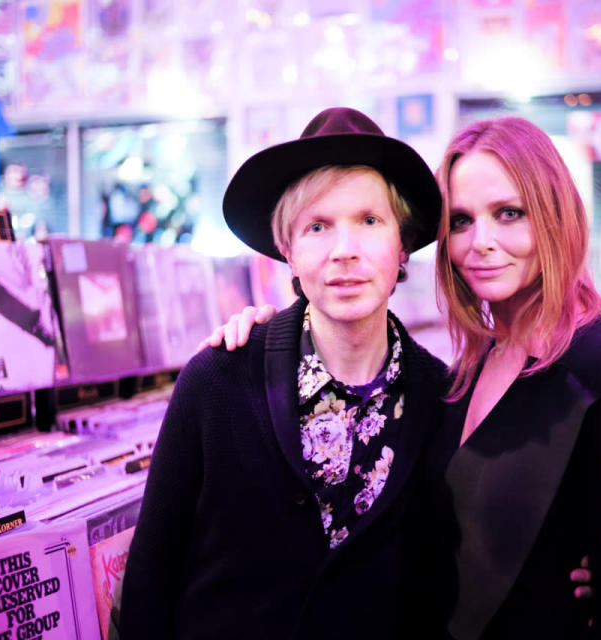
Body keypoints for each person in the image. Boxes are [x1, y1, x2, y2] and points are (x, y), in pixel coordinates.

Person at [213, 115, 601, 639]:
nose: (482, 243)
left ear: (554, 216)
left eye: (509, 213)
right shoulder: (459, 373)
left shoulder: (600, 367)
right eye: (462, 221)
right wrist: (275, 335)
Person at [120, 107, 449, 638]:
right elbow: (149, 582)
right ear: (288, 252)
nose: (345, 251)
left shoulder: (441, 398)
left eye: (369, 221)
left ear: (401, 243)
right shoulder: (216, 382)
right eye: (317, 226)